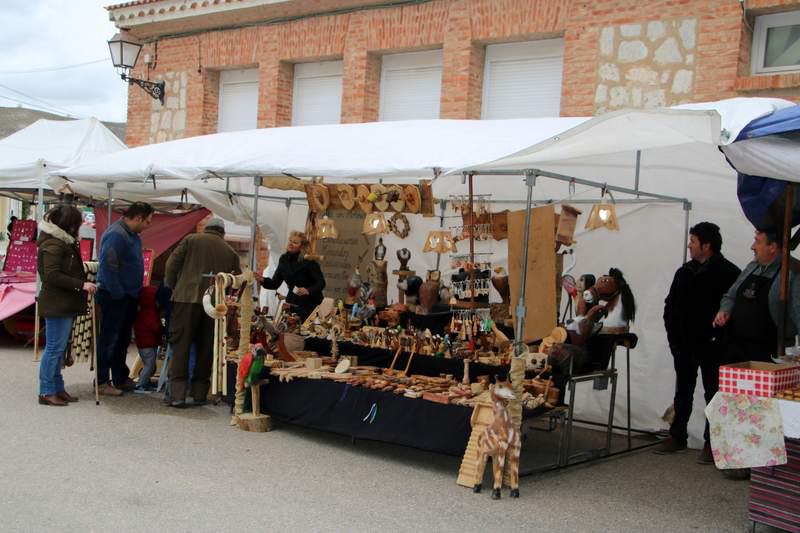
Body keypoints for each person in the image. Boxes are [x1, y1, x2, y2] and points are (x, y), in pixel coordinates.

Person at [657, 222, 740, 461]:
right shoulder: (684, 271)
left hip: (713, 346)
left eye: (693, 241)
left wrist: (720, 339)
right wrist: (673, 336)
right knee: (683, 391)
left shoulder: (729, 273)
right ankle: (677, 435)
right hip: (683, 345)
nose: (689, 245)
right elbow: (670, 305)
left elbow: (733, 311)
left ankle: (711, 443)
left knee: (714, 394)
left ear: (707, 245)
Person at [165, 217, 241, 408]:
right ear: (222, 233)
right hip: (214, 305)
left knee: (181, 346)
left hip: (186, 299)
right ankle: (200, 393)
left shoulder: (191, 239)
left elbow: (171, 265)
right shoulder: (230, 251)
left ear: (206, 229)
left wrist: (175, 287)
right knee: (206, 347)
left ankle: (177, 395)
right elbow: (237, 280)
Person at [36, 205, 97, 406]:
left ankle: (57, 388)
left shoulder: (61, 242)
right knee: (54, 348)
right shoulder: (55, 245)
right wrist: (81, 284)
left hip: (61, 301)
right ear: (70, 225)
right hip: (57, 302)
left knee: (58, 348)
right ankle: (46, 390)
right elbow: (52, 275)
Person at [714, 229, 800, 363]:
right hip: (736, 352)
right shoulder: (752, 266)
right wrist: (725, 310)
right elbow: (730, 296)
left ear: (772, 247)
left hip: (770, 356)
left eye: (758, 242)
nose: (752, 247)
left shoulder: (793, 273)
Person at [95, 202, 153, 396]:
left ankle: (119, 377)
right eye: (147, 221)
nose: (148, 226)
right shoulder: (116, 235)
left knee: (122, 339)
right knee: (110, 339)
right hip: (115, 296)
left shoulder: (132, 236)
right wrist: (119, 293)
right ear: (138, 218)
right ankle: (102, 381)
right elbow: (108, 267)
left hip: (127, 295)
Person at [256, 231, 326, 321]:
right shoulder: (283, 259)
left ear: (302, 246)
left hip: (310, 303)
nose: (291, 244)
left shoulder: (309, 261)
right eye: (290, 241)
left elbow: (321, 283)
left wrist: (308, 290)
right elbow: (275, 283)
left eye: (295, 242)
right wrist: (262, 280)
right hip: (292, 301)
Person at [133, 285, 162, 393]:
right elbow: (155, 327)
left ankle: (145, 382)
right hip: (147, 344)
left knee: (150, 365)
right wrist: (162, 329)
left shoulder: (142, 312)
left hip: (145, 343)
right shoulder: (150, 313)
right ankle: (140, 384)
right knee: (149, 365)